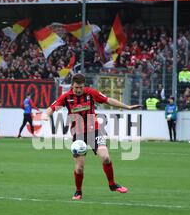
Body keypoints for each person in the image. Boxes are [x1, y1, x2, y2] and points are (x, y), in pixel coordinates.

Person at [42, 73, 142, 201]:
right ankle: (78, 192)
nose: (79, 90)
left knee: (105, 157)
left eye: (81, 87)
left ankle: (112, 184)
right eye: (76, 87)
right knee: (79, 167)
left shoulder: (91, 93)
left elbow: (108, 100)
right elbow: (51, 108)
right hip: (78, 135)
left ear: (84, 86)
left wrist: (127, 107)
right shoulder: (66, 97)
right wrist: (46, 115)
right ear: (72, 85)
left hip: (94, 131)